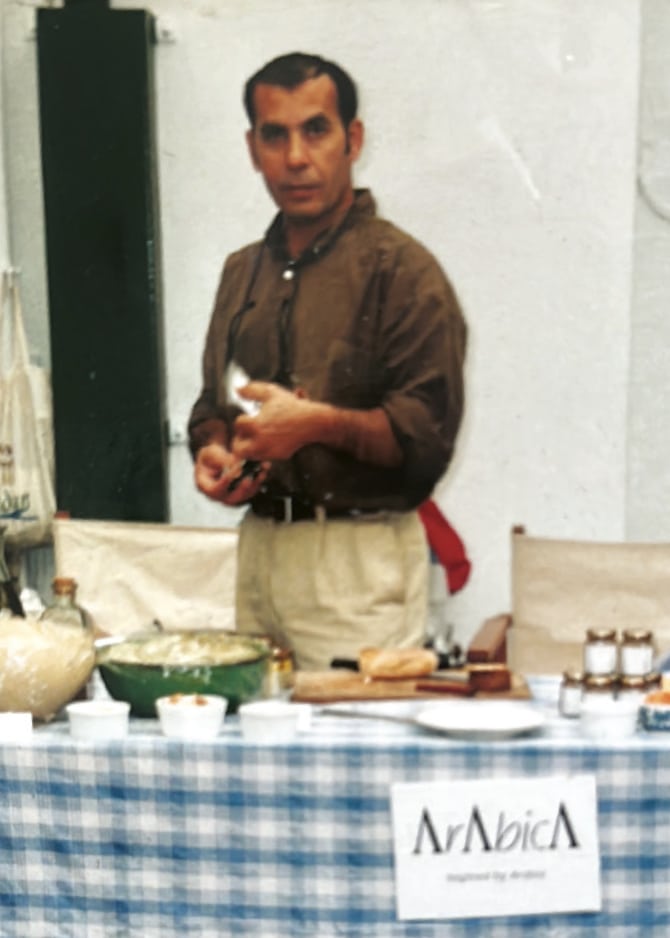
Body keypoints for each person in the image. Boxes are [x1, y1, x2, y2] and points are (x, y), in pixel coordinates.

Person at [188, 52, 466, 670]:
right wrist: (214, 451)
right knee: (256, 758)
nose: (295, 157)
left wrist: (316, 426)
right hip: (259, 553)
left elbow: (427, 439)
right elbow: (214, 406)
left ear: (353, 139)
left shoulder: (404, 272)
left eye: (316, 129)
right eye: (275, 134)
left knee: (357, 752)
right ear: (252, 146)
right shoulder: (242, 272)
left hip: (358, 566)